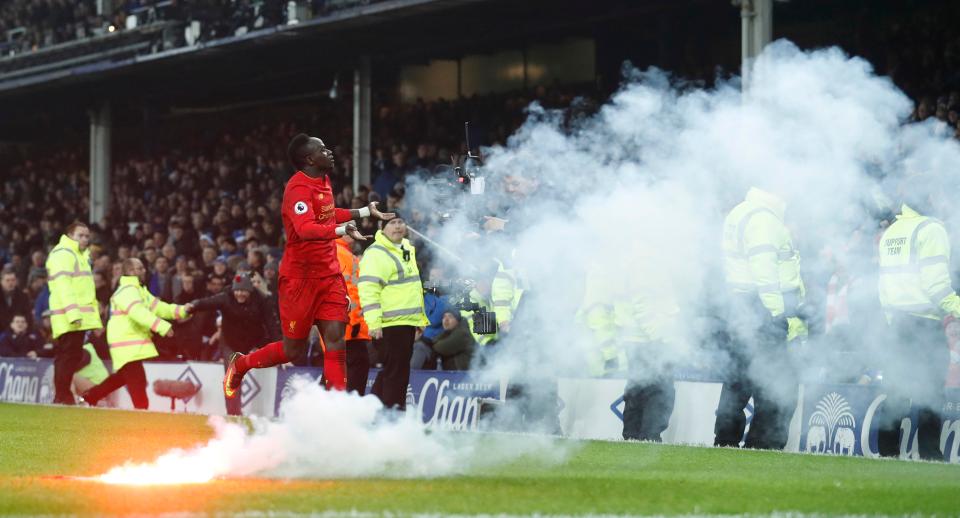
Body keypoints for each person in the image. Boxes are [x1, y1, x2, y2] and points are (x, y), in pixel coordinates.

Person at [223, 134, 394, 399]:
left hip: (329, 275)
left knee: (337, 339)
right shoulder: (297, 189)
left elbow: (327, 213)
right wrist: (340, 229)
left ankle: (337, 407)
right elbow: (305, 229)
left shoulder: (324, 181)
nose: (330, 152)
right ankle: (241, 364)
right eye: (323, 149)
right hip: (299, 281)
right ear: (309, 159)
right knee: (293, 350)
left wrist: (362, 213)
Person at [715, 187, 806, 450]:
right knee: (779, 387)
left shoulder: (742, 212)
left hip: (742, 308)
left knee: (738, 382)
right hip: (763, 310)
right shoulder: (764, 219)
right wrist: (777, 314)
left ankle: (725, 443)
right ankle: (763, 448)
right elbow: (764, 271)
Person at [876, 183, 956, 460]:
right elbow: (936, 286)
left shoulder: (892, 232)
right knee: (931, 396)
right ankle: (931, 460)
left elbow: (883, 285)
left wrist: (890, 319)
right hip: (923, 325)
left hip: (896, 323)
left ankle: (885, 458)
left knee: (896, 394)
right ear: (930, 197)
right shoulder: (931, 228)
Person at [581, 262, 679, 442]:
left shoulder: (620, 257)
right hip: (650, 338)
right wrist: (660, 337)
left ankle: (632, 438)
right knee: (659, 391)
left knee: (637, 390)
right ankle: (649, 439)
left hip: (632, 337)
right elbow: (643, 301)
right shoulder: (643, 257)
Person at [81, 258, 193, 409]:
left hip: (129, 344)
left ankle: (91, 396)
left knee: (123, 378)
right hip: (126, 344)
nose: (144, 270)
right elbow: (138, 313)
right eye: (140, 268)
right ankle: (142, 415)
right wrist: (162, 326)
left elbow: (159, 307)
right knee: (138, 381)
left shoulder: (139, 291)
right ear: (131, 272)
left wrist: (181, 311)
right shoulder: (127, 291)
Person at [359, 216, 428, 410]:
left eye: (400, 221)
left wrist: (419, 320)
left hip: (405, 322)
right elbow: (368, 290)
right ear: (382, 228)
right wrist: (374, 324)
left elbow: (412, 287)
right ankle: (392, 418)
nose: (398, 226)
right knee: (396, 375)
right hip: (389, 324)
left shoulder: (405, 248)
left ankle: (370, 414)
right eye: (392, 223)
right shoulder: (376, 253)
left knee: (393, 372)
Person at [190, 273, 281, 415]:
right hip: (230, 342)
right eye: (237, 290)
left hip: (253, 341)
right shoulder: (226, 297)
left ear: (250, 290)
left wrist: (280, 349)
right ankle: (234, 414)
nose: (239, 294)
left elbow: (272, 325)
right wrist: (193, 305)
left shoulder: (262, 300)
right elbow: (207, 303)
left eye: (243, 291)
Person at [46, 222, 103, 405]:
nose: (85, 239)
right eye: (81, 235)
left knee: (70, 356)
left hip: (76, 316)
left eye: (87, 236)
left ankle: (62, 395)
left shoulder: (78, 255)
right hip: (70, 316)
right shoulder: (64, 254)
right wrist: (73, 314)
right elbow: (64, 287)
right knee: (67, 356)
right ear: (70, 235)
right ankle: (63, 395)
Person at [336, 235, 372, 394]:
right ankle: (351, 409)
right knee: (357, 365)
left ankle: (321, 408)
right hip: (347, 325)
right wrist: (354, 321)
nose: (354, 232)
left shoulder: (341, 251)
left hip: (342, 323)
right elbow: (348, 291)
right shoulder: (340, 253)